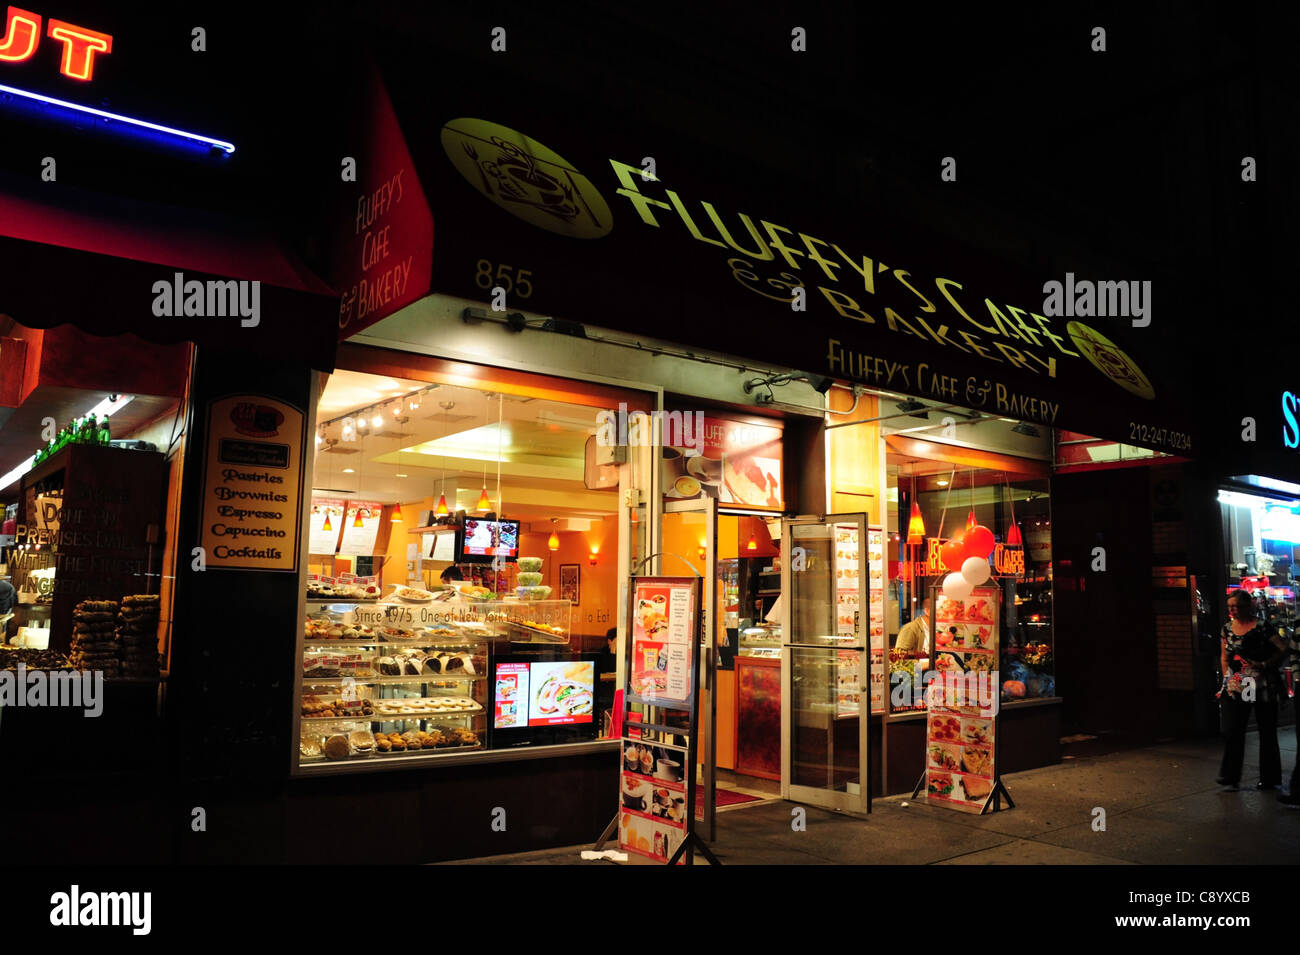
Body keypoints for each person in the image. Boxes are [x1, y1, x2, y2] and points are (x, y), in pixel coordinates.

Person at [1217, 589, 1288, 791]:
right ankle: (1230, 776)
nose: (1232, 610)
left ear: (1247, 607)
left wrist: (1265, 664)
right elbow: (1224, 655)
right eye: (1230, 606)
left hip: (1263, 685)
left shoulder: (1263, 627)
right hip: (1238, 685)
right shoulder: (1227, 628)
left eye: (1235, 606)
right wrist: (1227, 677)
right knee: (1233, 730)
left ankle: (1269, 778)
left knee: (1267, 731)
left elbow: (1283, 648)